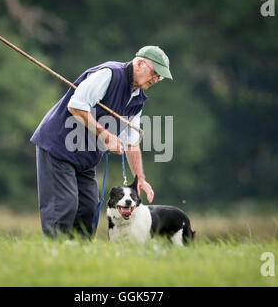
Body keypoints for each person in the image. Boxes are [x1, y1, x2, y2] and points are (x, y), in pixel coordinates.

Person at [30, 45, 173, 237]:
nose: (155, 79)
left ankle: (78, 261)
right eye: (154, 73)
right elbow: (76, 107)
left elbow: (131, 141)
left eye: (160, 77)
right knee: (64, 207)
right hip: (58, 147)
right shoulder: (109, 74)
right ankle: (53, 257)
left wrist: (140, 178)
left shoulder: (138, 99)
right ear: (139, 63)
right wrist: (106, 136)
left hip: (86, 158)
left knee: (88, 210)